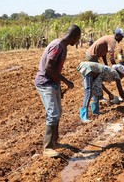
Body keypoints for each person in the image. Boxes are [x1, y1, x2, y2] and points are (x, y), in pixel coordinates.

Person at [35, 24, 81, 157]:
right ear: (73, 36)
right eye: (77, 39)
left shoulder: (63, 46)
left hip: (53, 83)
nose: (77, 42)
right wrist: (66, 81)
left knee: (58, 112)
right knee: (53, 113)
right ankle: (47, 147)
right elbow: (49, 68)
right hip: (45, 83)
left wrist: (59, 86)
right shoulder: (57, 46)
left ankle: (55, 142)